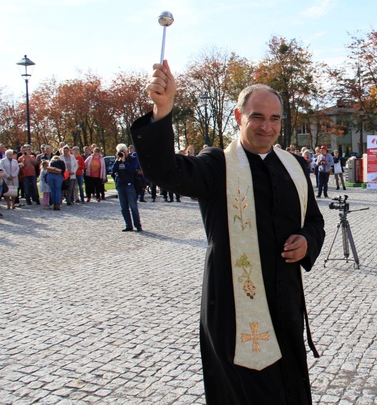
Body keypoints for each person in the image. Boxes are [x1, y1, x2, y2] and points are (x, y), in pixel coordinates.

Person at [135, 61, 325, 404]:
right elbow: (165, 170)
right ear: (238, 116)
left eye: (274, 118)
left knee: (289, 391)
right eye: (257, 117)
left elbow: (314, 221)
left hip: (285, 304)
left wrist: (307, 241)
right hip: (235, 312)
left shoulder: (295, 167)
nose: (266, 127)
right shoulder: (217, 165)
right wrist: (163, 110)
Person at [112, 144, 142, 232]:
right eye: (120, 151)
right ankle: (128, 225)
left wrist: (125, 161)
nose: (122, 153)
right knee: (123, 207)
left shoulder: (132, 159)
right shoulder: (118, 160)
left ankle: (138, 225)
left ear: (127, 151)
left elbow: (133, 170)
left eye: (123, 151)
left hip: (130, 185)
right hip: (120, 185)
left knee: (133, 206)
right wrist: (118, 161)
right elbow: (113, 170)